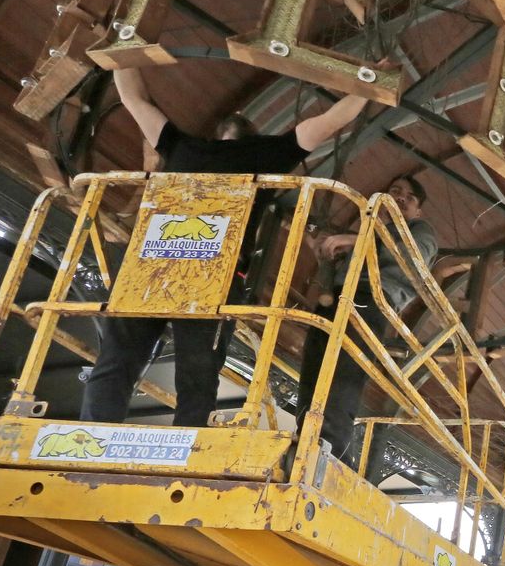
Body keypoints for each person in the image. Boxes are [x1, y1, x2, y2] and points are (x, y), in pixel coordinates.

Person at [81, 65, 371, 427]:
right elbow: (327, 122)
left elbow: (134, 98)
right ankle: (135, 436)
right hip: (197, 268)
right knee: (182, 366)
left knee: (139, 359)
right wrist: (367, 87)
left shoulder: (191, 147)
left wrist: (124, 54)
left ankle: (108, 432)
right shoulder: (252, 152)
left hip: (162, 262)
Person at [293, 173, 438, 459]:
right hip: (338, 298)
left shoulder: (420, 231)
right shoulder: (369, 234)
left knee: (344, 375)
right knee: (314, 370)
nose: (399, 197)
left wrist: (353, 239)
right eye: (395, 190)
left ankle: (332, 450)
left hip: (371, 301)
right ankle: (304, 438)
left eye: (409, 198)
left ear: (417, 211)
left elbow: (410, 255)